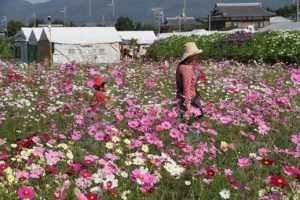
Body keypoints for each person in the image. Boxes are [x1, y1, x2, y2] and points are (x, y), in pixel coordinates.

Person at [176, 42, 204, 118]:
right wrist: (188, 107)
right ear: (189, 56)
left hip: (180, 99)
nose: (196, 57)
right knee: (193, 127)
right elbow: (186, 88)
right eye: (195, 55)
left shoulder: (180, 66)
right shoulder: (186, 69)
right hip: (189, 102)